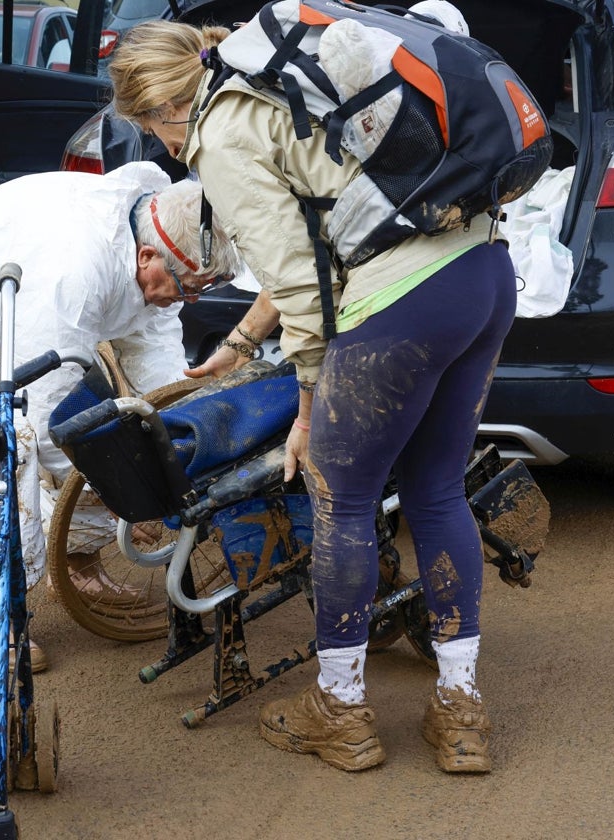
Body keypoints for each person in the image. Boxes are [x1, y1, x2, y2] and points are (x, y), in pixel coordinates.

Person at [108, 19, 515, 773]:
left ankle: (341, 709)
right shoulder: (278, 89)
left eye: (148, 129)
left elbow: (300, 283)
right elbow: (319, 239)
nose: (163, 146)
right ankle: (462, 712)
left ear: (161, 108)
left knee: (341, 498)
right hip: (483, 272)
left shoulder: (221, 132)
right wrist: (236, 344)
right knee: (434, 491)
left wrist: (306, 404)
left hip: (399, 303)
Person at [0, 162, 240, 673]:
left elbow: (156, 353)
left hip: (35, 291)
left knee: (124, 441)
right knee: (11, 436)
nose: (186, 300)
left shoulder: (165, 234)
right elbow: (48, 408)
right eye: (185, 288)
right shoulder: (71, 273)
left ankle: (76, 564)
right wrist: (123, 494)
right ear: (146, 256)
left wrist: (168, 446)